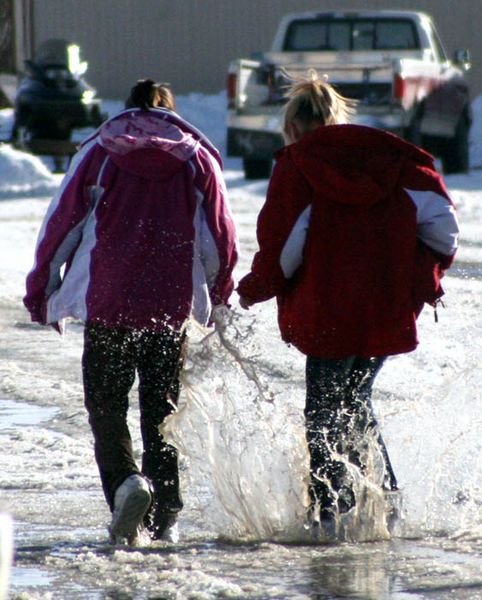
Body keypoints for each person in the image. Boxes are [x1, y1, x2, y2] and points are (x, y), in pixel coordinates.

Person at [237, 74, 459, 532]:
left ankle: (330, 513)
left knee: (323, 411)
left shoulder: (298, 165)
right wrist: (415, 265)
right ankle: (384, 503)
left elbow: (285, 245)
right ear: (337, 119)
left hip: (328, 309)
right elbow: (443, 228)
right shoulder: (393, 159)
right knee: (356, 400)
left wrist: (255, 288)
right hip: (384, 303)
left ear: (293, 128)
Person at [23, 79, 238, 544]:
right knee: (161, 412)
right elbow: (219, 236)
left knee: (106, 404)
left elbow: (62, 223)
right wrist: (219, 292)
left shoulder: (99, 153)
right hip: (168, 305)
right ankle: (165, 516)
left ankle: (125, 484)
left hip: (110, 301)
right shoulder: (197, 159)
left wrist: (42, 286)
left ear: (127, 109)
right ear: (171, 112)